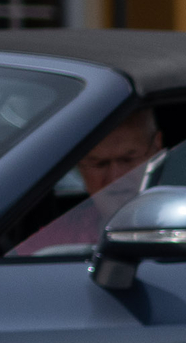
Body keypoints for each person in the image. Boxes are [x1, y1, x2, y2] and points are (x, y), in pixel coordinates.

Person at [11, 107, 163, 255]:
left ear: (157, 147)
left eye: (127, 159)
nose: (115, 177)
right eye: (99, 164)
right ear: (79, 165)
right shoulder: (57, 239)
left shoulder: (184, 225)